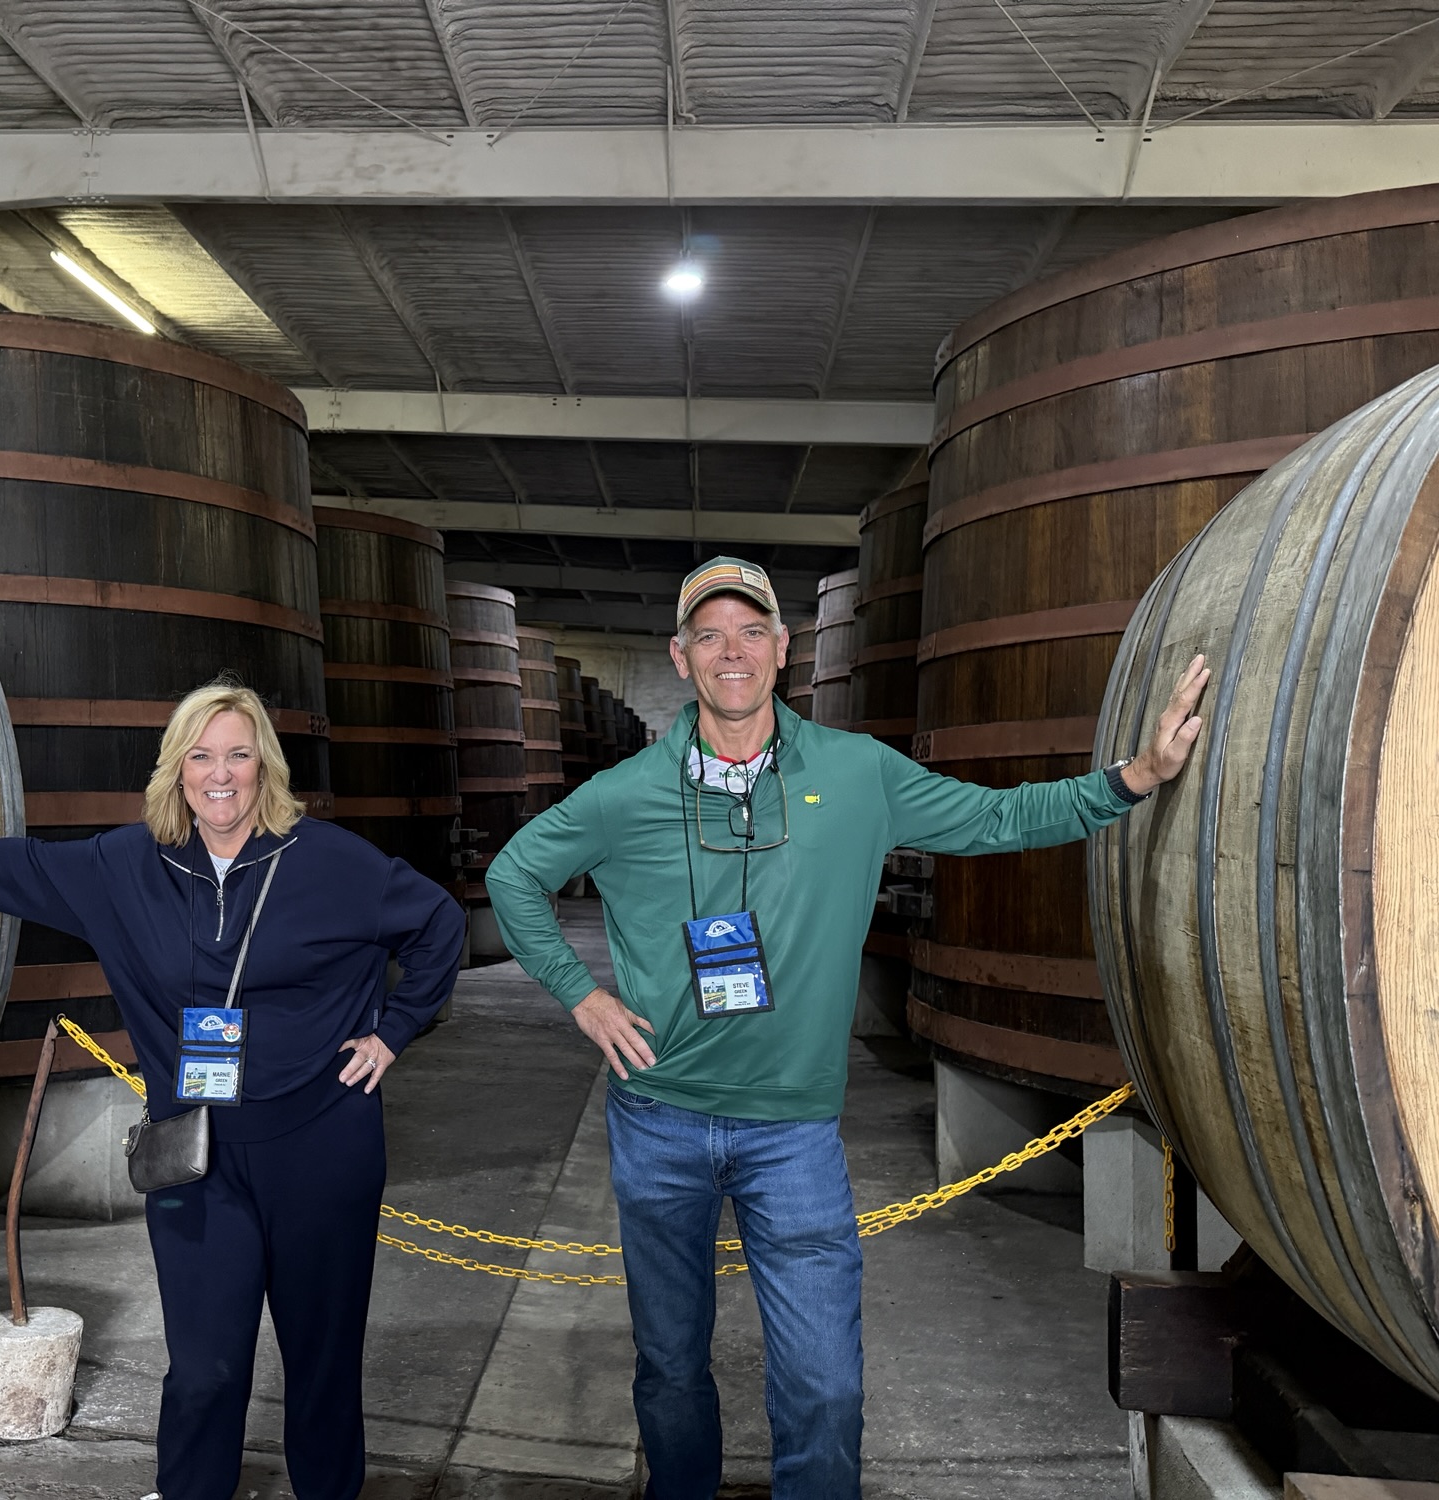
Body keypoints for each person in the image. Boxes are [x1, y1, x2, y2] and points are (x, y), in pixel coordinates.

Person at [485, 557, 1209, 1500]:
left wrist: (1137, 776)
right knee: (669, 1371)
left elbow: (999, 819)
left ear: (784, 652)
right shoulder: (624, 795)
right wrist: (582, 994)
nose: (732, 651)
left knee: (824, 1387)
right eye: (710, 635)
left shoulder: (859, 772)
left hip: (793, 1133)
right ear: (679, 656)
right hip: (659, 1120)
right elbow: (513, 877)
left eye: (752, 632)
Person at [0, 678, 466, 1500]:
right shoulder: (125, 865)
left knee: (323, 1367)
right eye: (201, 756)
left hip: (322, 1147)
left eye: (239, 755)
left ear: (265, 767)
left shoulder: (331, 862)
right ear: (177, 770)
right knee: (207, 1368)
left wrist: (395, 1030)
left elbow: (439, 925)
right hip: (195, 1154)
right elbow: (22, 867)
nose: (221, 775)